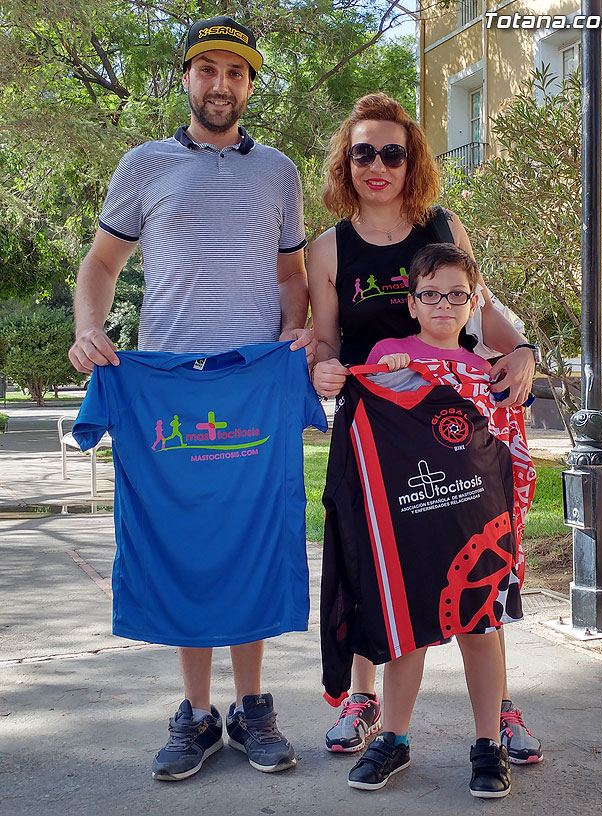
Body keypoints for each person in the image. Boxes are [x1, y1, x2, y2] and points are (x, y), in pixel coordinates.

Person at [68, 16, 316, 782]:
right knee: (184, 537)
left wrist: (296, 338)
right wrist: (87, 331)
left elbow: (290, 278)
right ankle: (197, 714)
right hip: (167, 389)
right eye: (208, 70)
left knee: (250, 534)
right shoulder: (144, 164)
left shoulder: (277, 171)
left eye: (236, 73)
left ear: (249, 85)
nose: (222, 85)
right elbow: (101, 264)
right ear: (185, 78)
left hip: (250, 388)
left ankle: (252, 708)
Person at [307, 93, 542, 765]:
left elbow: (483, 310)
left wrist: (522, 350)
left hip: (450, 429)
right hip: (373, 430)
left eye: (391, 152)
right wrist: (323, 372)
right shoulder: (329, 248)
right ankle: (364, 698)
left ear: (411, 161)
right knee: (368, 559)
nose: (377, 165)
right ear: (345, 162)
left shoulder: (443, 226)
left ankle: (497, 711)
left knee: (478, 567)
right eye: (363, 153)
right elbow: (326, 346)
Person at [321, 242, 535, 797]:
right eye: (432, 294)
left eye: (457, 295)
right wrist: (394, 370)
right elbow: (374, 391)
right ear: (412, 303)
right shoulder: (393, 354)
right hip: (414, 521)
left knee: (481, 632)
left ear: (473, 305)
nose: (445, 304)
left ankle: (488, 743)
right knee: (408, 632)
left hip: (477, 526)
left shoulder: (486, 375)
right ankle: (393, 737)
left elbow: (511, 449)